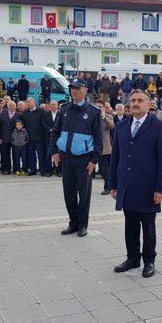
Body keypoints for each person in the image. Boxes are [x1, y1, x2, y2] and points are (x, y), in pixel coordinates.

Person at [109, 89, 162, 278]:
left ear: (148, 104)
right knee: (130, 224)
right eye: (133, 100)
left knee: (148, 226)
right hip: (127, 185)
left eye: (140, 100)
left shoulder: (158, 126)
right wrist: (113, 183)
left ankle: (149, 260)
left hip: (148, 186)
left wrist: (160, 188)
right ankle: (132, 258)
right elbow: (115, 156)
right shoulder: (122, 126)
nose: (135, 103)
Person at [51, 78, 102, 238]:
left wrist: (94, 160)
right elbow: (56, 132)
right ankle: (73, 223)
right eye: (72, 88)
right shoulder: (64, 109)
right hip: (66, 157)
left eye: (77, 88)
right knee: (69, 192)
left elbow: (98, 138)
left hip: (84, 159)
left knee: (84, 193)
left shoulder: (93, 111)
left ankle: (82, 224)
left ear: (85, 90)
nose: (74, 91)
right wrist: (54, 151)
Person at [23, 98, 47, 176]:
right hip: (29, 138)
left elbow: (44, 125)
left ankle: (42, 170)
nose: (27, 103)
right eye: (27, 102)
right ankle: (33, 170)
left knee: (41, 155)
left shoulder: (41, 112)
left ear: (34, 102)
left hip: (39, 138)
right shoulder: (25, 113)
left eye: (29, 102)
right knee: (31, 155)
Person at [97, 100, 115, 195]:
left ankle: (108, 187)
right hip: (92, 147)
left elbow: (112, 126)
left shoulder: (108, 116)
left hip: (104, 147)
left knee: (104, 169)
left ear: (104, 108)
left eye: (100, 106)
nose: (98, 108)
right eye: (97, 106)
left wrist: (103, 117)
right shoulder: (92, 117)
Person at [42, 100, 60, 176]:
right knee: (48, 155)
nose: (53, 106)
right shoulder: (46, 114)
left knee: (58, 155)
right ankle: (49, 171)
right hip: (48, 137)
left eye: (54, 105)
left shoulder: (60, 114)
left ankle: (58, 171)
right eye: (51, 105)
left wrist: (56, 130)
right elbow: (43, 123)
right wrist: (50, 130)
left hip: (58, 138)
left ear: (57, 105)